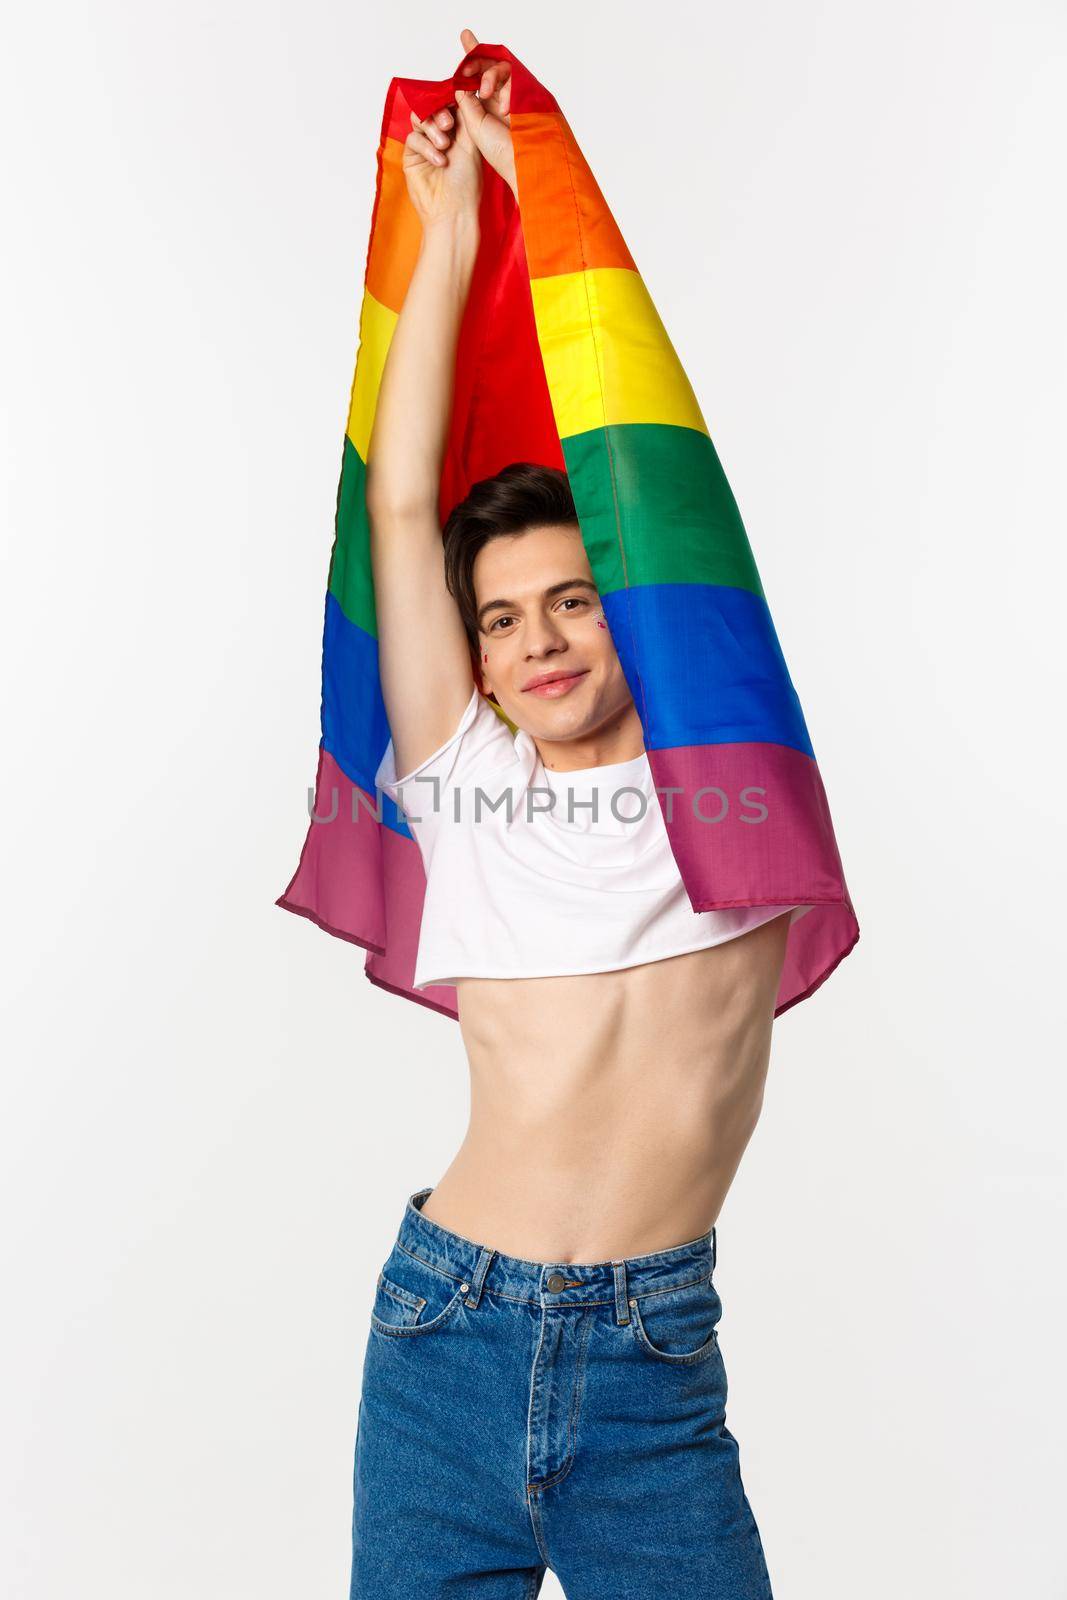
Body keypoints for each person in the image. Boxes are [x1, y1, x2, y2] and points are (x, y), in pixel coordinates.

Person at [350, 30, 799, 1599]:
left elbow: (671, 516)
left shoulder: (736, 787)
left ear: (642, 613)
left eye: (575, 601)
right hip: (443, 1334)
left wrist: (553, 206)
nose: (537, 641)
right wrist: (456, 236)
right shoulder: (462, 778)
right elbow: (402, 504)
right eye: (502, 619)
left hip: (650, 1363)